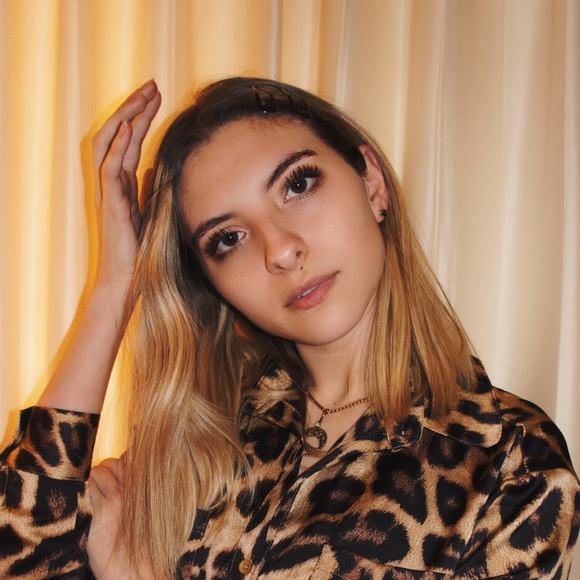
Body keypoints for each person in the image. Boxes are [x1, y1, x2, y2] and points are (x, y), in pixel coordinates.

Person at [0, 77, 578, 579]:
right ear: (212, 281)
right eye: (228, 239)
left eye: (297, 185)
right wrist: (115, 286)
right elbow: (23, 554)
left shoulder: (511, 464)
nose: (279, 250)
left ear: (371, 183)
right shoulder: (207, 438)